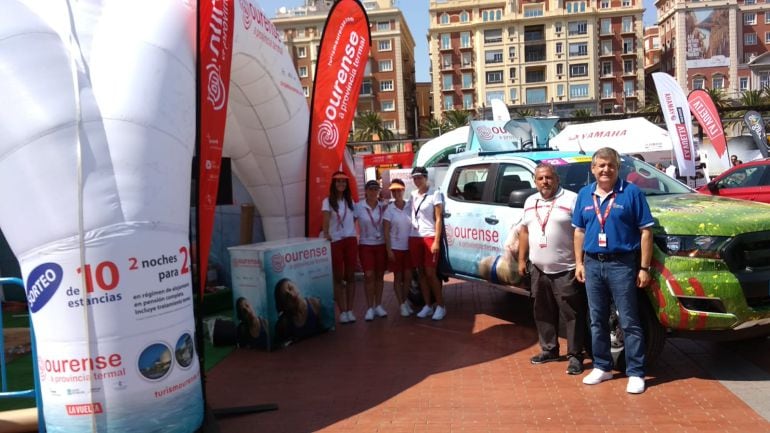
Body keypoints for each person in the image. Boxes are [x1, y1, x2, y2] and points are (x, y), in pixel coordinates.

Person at [572, 147, 654, 394]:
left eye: (611, 165)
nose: (606, 169)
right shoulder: (585, 195)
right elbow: (579, 231)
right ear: (593, 168)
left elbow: (646, 232)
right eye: (601, 165)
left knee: (629, 320)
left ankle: (636, 372)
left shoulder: (632, 193)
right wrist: (579, 262)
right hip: (593, 264)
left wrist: (644, 267)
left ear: (618, 168)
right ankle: (602, 367)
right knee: (597, 320)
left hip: (622, 264)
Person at [517, 163, 587, 375]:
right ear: (535, 181)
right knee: (543, 311)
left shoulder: (571, 199)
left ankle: (575, 355)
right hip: (539, 268)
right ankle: (549, 349)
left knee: (572, 314)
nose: (545, 182)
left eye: (548, 178)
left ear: (556, 179)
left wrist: (580, 262)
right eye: (540, 179)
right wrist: (521, 260)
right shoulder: (530, 201)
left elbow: (580, 230)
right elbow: (524, 231)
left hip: (566, 268)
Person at [409, 166, 447, 320]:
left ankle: (441, 305)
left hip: (429, 236)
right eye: (415, 178)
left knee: (431, 273)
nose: (417, 180)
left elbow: (439, 218)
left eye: (419, 177)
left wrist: (437, 241)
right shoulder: (412, 194)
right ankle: (427, 305)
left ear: (426, 177)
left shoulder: (435, 194)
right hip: (414, 236)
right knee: (421, 274)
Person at [322, 171, 358, 324]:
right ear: (333, 184)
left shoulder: (350, 201)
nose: (341, 184)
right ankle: (342, 311)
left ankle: (350, 310)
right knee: (338, 277)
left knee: (350, 276)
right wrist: (327, 234)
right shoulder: (328, 201)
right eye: (338, 182)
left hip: (350, 240)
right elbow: (325, 221)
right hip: (336, 241)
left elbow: (355, 217)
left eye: (343, 182)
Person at [356, 179, 388, 321]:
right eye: (371, 189)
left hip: (381, 244)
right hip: (366, 245)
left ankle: (378, 305)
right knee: (369, 275)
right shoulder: (358, 207)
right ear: (366, 191)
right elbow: (347, 222)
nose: (373, 192)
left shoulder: (383, 206)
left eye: (376, 189)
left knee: (379, 276)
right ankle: (369, 307)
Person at [383, 179, 414, 317]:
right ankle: (401, 304)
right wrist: (389, 250)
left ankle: (404, 300)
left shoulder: (410, 206)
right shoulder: (389, 209)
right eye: (394, 191)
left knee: (408, 277)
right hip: (395, 248)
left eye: (399, 190)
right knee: (398, 277)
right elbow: (386, 231)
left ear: (403, 190)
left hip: (409, 248)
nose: (396, 193)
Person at [274, 278, 325, 345]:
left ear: (296, 285)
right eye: (287, 297)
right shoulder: (285, 323)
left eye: (290, 288)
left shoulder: (315, 304)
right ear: (285, 306)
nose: (292, 295)